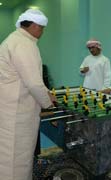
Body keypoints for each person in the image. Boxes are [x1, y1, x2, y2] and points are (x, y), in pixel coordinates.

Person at [0, 9, 57, 180]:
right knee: (17, 159)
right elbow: (33, 83)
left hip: (8, 109)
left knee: (7, 155)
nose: (42, 32)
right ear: (33, 26)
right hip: (18, 113)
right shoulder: (24, 44)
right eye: (41, 28)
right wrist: (49, 104)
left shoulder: (14, 40)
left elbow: (27, 79)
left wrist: (47, 93)